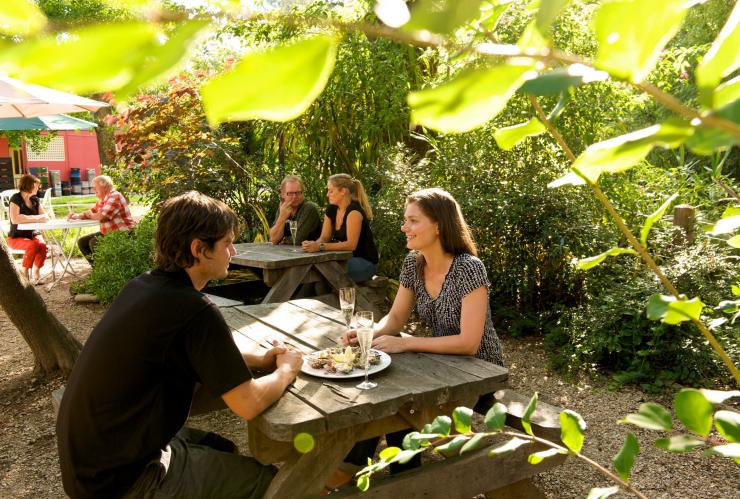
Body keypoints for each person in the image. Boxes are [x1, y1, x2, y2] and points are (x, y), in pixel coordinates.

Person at [57, 191, 304, 499]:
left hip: (93, 464)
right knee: (275, 485)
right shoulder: (194, 309)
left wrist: (260, 359)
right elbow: (249, 403)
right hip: (125, 481)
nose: (234, 251)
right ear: (199, 249)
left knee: (223, 448)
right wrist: (286, 370)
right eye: (227, 243)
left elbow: (193, 352)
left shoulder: (144, 287)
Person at [326, 188, 504, 492]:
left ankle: (377, 473)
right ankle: (398, 474)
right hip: (442, 362)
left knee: (397, 397)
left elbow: (468, 343)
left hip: (480, 370)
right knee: (384, 387)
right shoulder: (414, 262)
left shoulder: (469, 268)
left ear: (438, 225)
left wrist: (405, 343)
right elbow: (395, 319)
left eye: (412, 221)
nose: (404, 227)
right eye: (404, 220)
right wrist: (368, 333)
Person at [302, 173, 379, 283]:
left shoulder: (354, 211)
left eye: (331, 191)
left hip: (364, 262)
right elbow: (324, 237)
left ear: (343, 191)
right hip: (344, 259)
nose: (328, 194)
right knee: (314, 273)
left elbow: (351, 245)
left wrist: (319, 247)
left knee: (325, 272)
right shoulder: (332, 209)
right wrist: (311, 247)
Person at [68, 175, 135, 262]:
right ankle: (98, 270)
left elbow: (102, 217)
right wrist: (77, 216)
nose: (93, 189)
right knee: (82, 242)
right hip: (111, 233)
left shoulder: (114, 196)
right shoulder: (104, 199)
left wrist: (92, 215)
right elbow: (92, 211)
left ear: (104, 185)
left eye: (95, 187)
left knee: (94, 242)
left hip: (124, 233)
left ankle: (106, 270)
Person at [6, 174, 49, 284]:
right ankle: (24, 275)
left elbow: (45, 217)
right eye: (37, 184)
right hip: (16, 237)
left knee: (42, 245)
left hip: (33, 234)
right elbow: (15, 219)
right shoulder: (16, 199)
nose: (39, 187)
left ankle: (36, 272)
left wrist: (25, 218)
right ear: (30, 185)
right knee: (32, 245)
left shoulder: (35, 199)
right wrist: (36, 218)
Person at [268, 175, 321, 245]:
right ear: (282, 194)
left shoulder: (309, 208)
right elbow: (273, 239)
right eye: (290, 193)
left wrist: (284, 239)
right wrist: (282, 217)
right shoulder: (284, 207)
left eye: (298, 193)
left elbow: (297, 240)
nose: (295, 197)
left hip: (313, 254)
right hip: (290, 254)